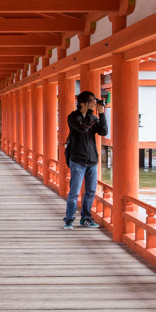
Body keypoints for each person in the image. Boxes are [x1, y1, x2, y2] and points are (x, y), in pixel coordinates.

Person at [63, 90, 108, 229]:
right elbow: (83, 128)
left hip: (92, 160)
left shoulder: (93, 118)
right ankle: (69, 219)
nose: (94, 104)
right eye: (91, 101)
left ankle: (86, 218)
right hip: (77, 160)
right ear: (82, 103)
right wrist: (90, 112)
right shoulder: (73, 117)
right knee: (74, 192)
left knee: (90, 191)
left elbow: (103, 131)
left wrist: (101, 114)